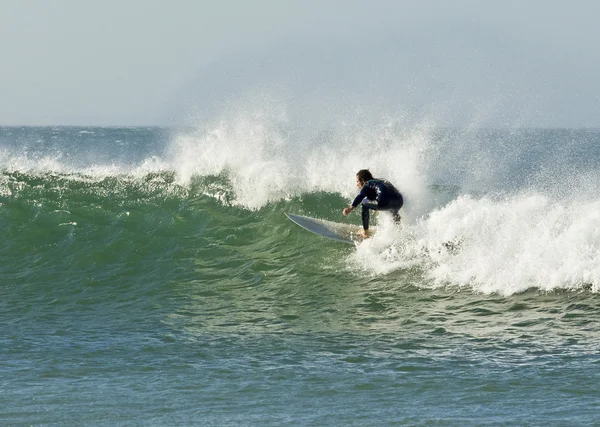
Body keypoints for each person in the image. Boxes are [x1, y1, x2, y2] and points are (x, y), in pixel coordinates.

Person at [342, 169, 403, 238]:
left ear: (362, 180)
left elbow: (360, 196)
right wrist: (375, 205)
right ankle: (400, 231)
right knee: (393, 211)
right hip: (399, 201)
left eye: (357, 181)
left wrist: (350, 208)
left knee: (364, 203)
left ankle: (365, 232)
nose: (357, 185)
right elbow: (386, 191)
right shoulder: (381, 181)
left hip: (383, 201)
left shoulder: (367, 184)